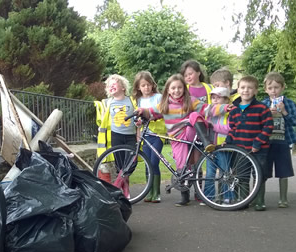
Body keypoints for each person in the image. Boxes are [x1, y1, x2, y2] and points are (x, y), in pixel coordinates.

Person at [137, 74, 231, 206]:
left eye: (179, 87)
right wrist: (141, 111)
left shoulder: (191, 100)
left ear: (184, 89)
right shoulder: (164, 104)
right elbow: (151, 112)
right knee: (182, 167)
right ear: (168, 90)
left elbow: (207, 109)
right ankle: (184, 195)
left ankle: (206, 143)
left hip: (191, 133)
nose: (176, 91)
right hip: (176, 139)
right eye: (173, 88)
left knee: (193, 116)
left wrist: (224, 107)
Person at [226, 75, 273, 211]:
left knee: (259, 175)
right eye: (243, 87)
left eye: (249, 88)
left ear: (255, 91)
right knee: (242, 175)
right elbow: (233, 128)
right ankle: (244, 200)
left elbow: (268, 127)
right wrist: (228, 141)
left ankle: (259, 201)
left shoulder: (262, 108)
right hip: (240, 148)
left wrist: (258, 142)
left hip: (259, 149)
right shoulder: (234, 110)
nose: (246, 90)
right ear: (238, 89)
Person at [260, 72, 296, 208]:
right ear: (266, 90)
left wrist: (284, 112)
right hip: (267, 142)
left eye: (276, 87)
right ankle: (260, 199)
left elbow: (295, 122)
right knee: (263, 170)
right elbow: (258, 123)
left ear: (282, 88)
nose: (273, 91)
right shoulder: (263, 104)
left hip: (283, 141)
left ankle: (283, 199)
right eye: (270, 88)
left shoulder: (289, 103)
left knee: (284, 171)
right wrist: (268, 115)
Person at [97, 74, 137, 196]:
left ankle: (118, 184)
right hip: (116, 136)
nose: (111, 86)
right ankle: (125, 190)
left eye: (114, 83)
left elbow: (137, 117)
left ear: (123, 87)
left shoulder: (132, 100)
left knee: (131, 162)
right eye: (109, 85)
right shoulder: (107, 103)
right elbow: (103, 120)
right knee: (120, 166)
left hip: (131, 136)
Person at [132, 71, 164, 203]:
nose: (146, 87)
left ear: (152, 85)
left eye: (148, 84)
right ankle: (148, 191)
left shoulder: (158, 97)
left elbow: (162, 112)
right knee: (147, 163)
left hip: (157, 135)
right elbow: (136, 118)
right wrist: (137, 123)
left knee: (154, 162)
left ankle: (156, 192)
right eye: (143, 85)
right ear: (138, 87)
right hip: (145, 136)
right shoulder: (138, 101)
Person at [202, 87, 232, 202]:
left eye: (218, 98)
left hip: (224, 147)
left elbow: (229, 129)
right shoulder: (210, 112)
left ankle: (227, 196)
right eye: (213, 98)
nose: (215, 100)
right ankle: (209, 197)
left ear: (226, 100)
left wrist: (213, 126)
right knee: (210, 174)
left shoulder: (228, 113)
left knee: (225, 173)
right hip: (211, 147)